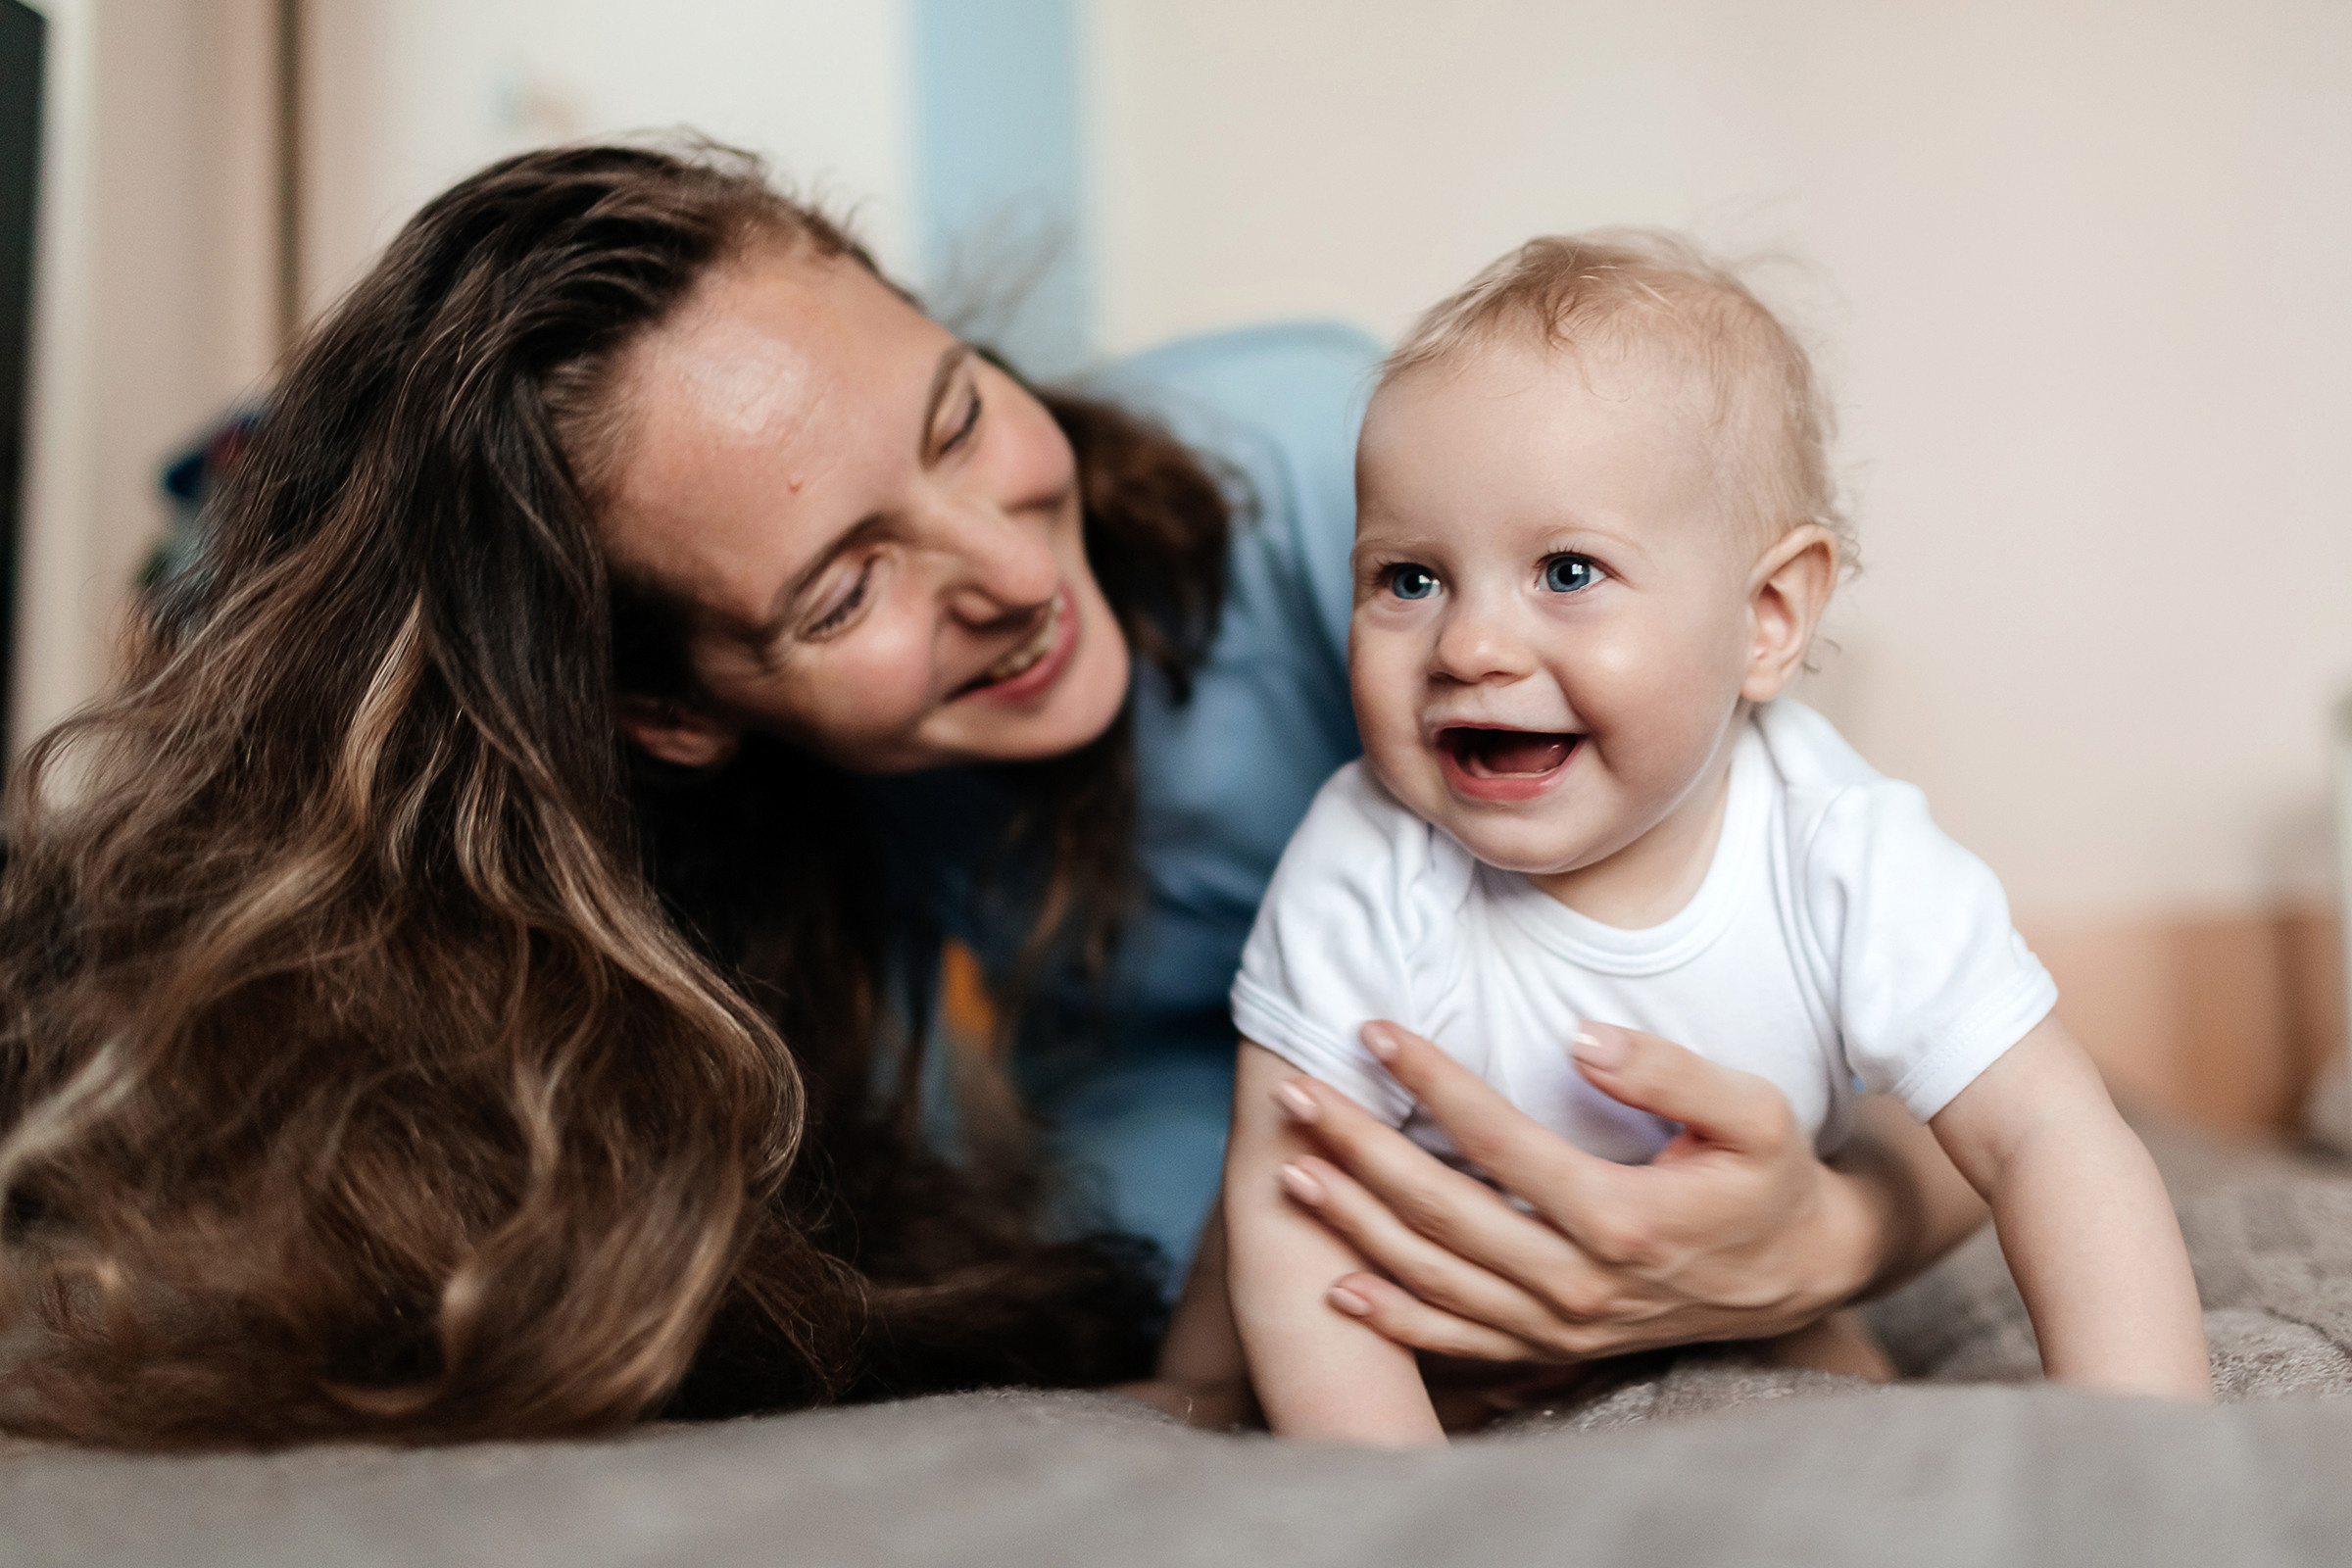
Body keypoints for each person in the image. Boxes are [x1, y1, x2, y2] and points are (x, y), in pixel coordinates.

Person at [0, 145, 1988, 1448]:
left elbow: (1901, 1011)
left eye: (960, 410)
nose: (1013, 566)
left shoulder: (1330, 480)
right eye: (845, 582)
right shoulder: (931, 1046)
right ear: (681, 714)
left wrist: (1822, 1231)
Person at [1179, 232, 2212, 1446]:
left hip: (1741, 1310)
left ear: (1767, 618)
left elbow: (2049, 1133)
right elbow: (1285, 1196)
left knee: (1840, 1396)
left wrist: (2151, 1449)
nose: (1468, 647)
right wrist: (1393, 1494)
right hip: (1430, 1336)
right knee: (1236, 1304)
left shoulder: (1844, 850)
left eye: (1566, 570)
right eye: (1409, 579)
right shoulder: (1366, 853)